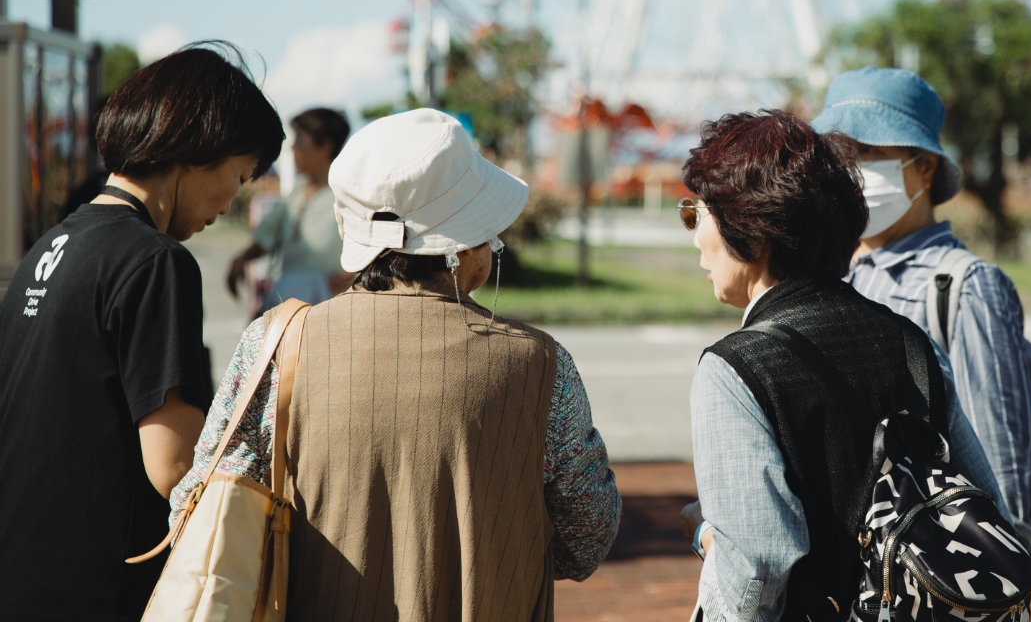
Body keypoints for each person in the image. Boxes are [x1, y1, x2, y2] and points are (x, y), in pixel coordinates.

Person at [173, 108, 620, 619]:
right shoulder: (541, 365)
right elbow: (587, 537)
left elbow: (201, 503)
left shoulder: (277, 345)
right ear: (463, 246)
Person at [675, 110, 1007, 622]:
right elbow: (981, 497)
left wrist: (709, 538)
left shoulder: (735, 370)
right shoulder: (909, 341)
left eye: (698, 213)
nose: (696, 236)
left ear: (753, 231)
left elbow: (756, 569)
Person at [0, 43, 286, 620]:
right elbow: (175, 467)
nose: (229, 203)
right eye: (239, 175)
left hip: (23, 569)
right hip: (99, 587)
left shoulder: (55, 245)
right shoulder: (156, 261)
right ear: (201, 148)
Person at [812, 67, 1031, 545]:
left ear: (925, 168)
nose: (850, 170)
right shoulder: (837, 275)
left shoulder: (966, 285)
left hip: (938, 583)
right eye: (839, 154)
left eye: (869, 152)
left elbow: (1004, 472)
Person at [226, 107, 352, 313]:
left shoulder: (345, 195)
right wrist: (242, 259)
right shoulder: (299, 190)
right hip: (289, 303)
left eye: (300, 141)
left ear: (325, 146)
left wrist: (325, 286)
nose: (292, 148)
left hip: (325, 308)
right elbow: (267, 233)